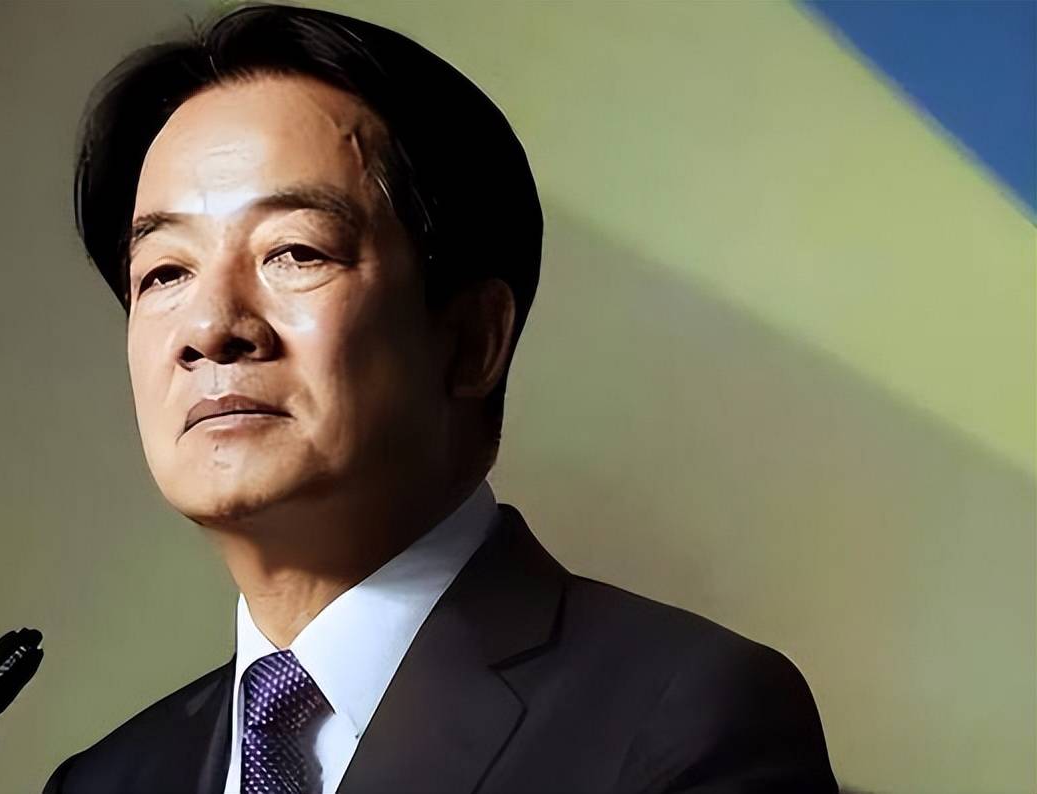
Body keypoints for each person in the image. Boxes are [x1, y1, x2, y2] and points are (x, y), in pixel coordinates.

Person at [42, 4, 838, 792]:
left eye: (295, 252)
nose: (210, 328)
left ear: (472, 339)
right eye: (165, 273)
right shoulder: (104, 781)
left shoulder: (683, 721)